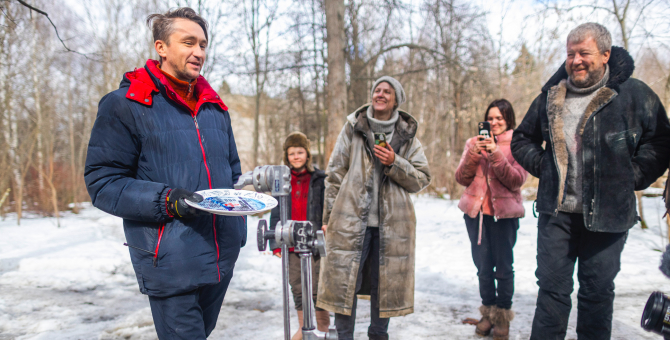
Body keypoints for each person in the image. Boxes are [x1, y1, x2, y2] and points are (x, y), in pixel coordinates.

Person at [84, 8, 246, 339]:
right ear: (161, 47)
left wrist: (239, 222)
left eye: (203, 44)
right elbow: (102, 183)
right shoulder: (125, 105)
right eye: (188, 42)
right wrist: (167, 200)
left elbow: (232, 172)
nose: (199, 52)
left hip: (221, 256)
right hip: (170, 260)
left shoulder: (215, 108)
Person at [511, 23, 670, 339]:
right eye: (570, 54)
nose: (576, 60)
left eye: (584, 52)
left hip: (610, 217)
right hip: (557, 215)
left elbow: (661, 141)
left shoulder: (635, 94)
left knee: (597, 295)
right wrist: (545, 165)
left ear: (606, 54)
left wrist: (632, 176)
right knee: (552, 292)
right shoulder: (551, 96)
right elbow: (522, 138)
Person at [316, 76, 431, 340]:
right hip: (350, 221)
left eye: (387, 91)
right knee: (346, 283)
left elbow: (422, 178)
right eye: (377, 90)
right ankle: (344, 337)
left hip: (394, 226)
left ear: (396, 100)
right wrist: (329, 218)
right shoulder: (353, 128)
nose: (380, 94)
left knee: (385, 286)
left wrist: (395, 162)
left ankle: (378, 336)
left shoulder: (407, 136)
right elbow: (334, 174)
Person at [455, 99, 527, 340]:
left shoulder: (518, 144)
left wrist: (496, 153)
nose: (494, 122)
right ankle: (488, 313)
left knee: (504, 268)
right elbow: (461, 178)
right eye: (491, 118)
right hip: (476, 216)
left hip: (503, 216)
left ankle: (502, 317)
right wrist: (474, 154)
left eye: (500, 118)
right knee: (483, 268)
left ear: (508, 119)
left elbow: (516, 180)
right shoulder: (472, 143)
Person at [269, 132, 330, 340]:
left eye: (300, 152)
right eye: (292, 153)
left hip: (314, 243)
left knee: (316, 288)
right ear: (287, 156)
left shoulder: (319, 179)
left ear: (307, 154)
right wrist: (275, 244)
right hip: (291, 243)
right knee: (297, 286)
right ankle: (304, 330)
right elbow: (276, 212)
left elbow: (326, 207)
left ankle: (322, 328)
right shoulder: (280, 181)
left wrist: (326, 226)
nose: (296, 156)